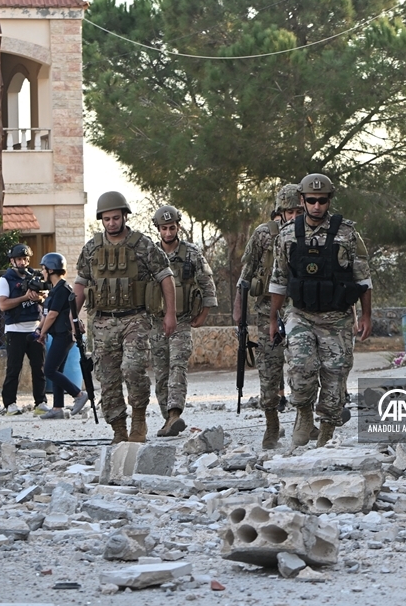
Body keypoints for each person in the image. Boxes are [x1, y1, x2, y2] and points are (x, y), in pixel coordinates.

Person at [269, 174, 372, 448]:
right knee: (301, 368)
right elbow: (279, 279)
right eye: (311, 200)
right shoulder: (288, 234)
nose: (317, 206)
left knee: (334, 378)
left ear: (329, 201)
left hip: (336, 319)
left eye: (322, 201)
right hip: (300, 314)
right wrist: (272, 319)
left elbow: (363, 280)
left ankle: (326, 433)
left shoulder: (348, 234)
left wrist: (366, 316)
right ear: (302, 200)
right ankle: (303, 414)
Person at [74, 191, 176, 443]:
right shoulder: (92, 248)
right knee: (107, 378)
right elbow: (80, 283)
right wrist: (71, 317)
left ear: (124, 216)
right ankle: (118, 429)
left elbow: (165, 277)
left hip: (136, 319)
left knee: (132, 369)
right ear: (101, 220)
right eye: (107, 219)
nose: (112, 223)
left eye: (116, 218)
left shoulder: (142, 245)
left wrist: (170, 313)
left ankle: (139, 421)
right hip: (102, 322)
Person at [233, 184, 305, 449]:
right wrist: (239, 308)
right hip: (267, 311)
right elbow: (247, 273)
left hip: (300, 310)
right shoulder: (264, 235)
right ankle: (272, 423)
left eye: (300, 210)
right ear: (281, 211)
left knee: (302, 367)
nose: (295, 216)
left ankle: (303, 419)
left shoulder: (313, 234)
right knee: (269, 369)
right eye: (290, 211)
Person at [149, 205, 218, 437]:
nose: (168, 233)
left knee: (178, 366)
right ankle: (167, 418)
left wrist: (204, 314)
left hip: (183, 320)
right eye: (164, 228)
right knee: (161, 371)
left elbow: (207, 284)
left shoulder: (191, 253)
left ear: (178, 227)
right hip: (156, 322)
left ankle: (175, 413)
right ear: (158, 229)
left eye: (172, 228)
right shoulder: (150, 254)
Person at [34, 253, 88, 419]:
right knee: (57, 370)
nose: (42, 273)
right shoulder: (55, 290)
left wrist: (42, 333)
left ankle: (78, 395)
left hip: (63, 335)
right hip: (57, 334)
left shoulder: (62, 289)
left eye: (43, 269)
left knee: (49, 370)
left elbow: (52, 314)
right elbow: (45, 314)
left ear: (50, 270)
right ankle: (57, 408)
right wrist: (40, 330)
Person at [0, 243, 48, 415]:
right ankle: (9, 403)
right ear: (13, 261)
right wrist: (25, 297)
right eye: (19, 259)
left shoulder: (36, 276)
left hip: (35, 327)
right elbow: (3, 305)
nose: (23, 262)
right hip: (15, 329)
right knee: (14, 368)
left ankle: (40, 402)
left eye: (26, 259)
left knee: (39, 368)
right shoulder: (6, 280)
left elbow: (46, 298)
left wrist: (40, 297)